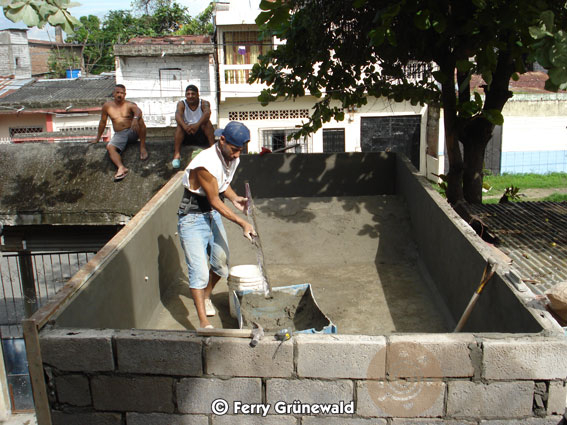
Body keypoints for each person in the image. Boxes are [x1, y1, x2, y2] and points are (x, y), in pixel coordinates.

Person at [177, 121, 256, 329]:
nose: (238, 154)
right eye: (235, 149)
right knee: (199, 272)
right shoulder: (206, 163)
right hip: (192, 218)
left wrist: (235, 198)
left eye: (240, 150)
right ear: (222, 140)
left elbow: (223, 183)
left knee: (221, 265)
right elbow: (213, 199)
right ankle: (203, 322)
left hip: (212, 215)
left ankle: (205, 296)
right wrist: (241, 222)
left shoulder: (230, 156)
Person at [91, 84, 148, 181]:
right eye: (117, 92)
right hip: (120, 134)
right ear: (113, 93)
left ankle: (142, 147)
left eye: (122, 93)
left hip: (132, 132)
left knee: (140, 120)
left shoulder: (130, 105)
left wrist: (135, 118)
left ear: (125, 94)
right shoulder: (107, 106)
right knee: (110, 147)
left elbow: (138, 111)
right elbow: (102, 123)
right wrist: (97, 138)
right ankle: (121, 168)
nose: (119, 95)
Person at [172, 84, 215, 169]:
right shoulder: (181, 104)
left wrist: (197, 125)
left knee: (207, 123)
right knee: (179, 127)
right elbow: (177, 115)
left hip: (200, 134)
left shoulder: (204, 103)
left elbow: (207, 113)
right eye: (188, 94)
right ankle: (177, 154)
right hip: (187, 133)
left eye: (193, 94)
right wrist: (185, 126)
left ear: (197, 94)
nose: (190, 96)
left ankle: (213, 151)